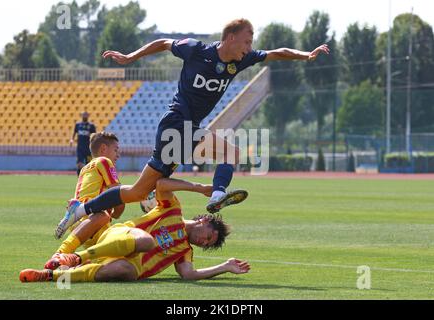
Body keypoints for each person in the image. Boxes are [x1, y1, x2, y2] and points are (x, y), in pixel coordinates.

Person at [54, 18, 330, 239]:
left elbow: (275, 53)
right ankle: (218, 194)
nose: (250, 46)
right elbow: (163, 43)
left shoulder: (241, 60)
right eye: (247, 40)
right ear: (230, 37)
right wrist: (130, 57)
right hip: (176, 121)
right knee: (232, 154)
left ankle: (81, 209)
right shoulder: (196, 50)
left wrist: (305, 55)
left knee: (139, 192)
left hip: (183, 128)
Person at [20, 178, 250, 282]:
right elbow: (161, 184)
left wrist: (225, 267)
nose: (204, 241)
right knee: (144, 240)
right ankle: (71, 256)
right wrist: (199, 188)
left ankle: (52, 275)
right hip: (121, 236)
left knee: (126, 272)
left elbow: (189, 274)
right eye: (208, 235)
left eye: (208, 244)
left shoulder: (184, 251)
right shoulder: (173, 210)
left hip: (127, 264)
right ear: (202, 220)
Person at [52, 132, 125, 262]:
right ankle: (59, 257)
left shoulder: (85, 168)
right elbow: (117, 193)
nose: (118, 155)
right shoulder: (104, 161)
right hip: (96, 219)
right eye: (116, 150)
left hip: (80, 225)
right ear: (103, 149)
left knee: (100, 262)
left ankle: (68, 262)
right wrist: (116, 213)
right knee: (127, 254)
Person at [71, 111, 97, 176]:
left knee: (89, 163)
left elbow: (94, 136)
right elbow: (74, 132)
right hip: (80, 148)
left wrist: (90, 136)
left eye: (86, 115)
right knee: (79, 163)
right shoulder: (78, 125)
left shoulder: (91, 125)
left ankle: (88, 176)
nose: (85, 116)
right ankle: (79, 176)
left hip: (88, 148)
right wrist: (72, 139)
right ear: (81, 115)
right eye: (83, 114)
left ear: (88, 116)